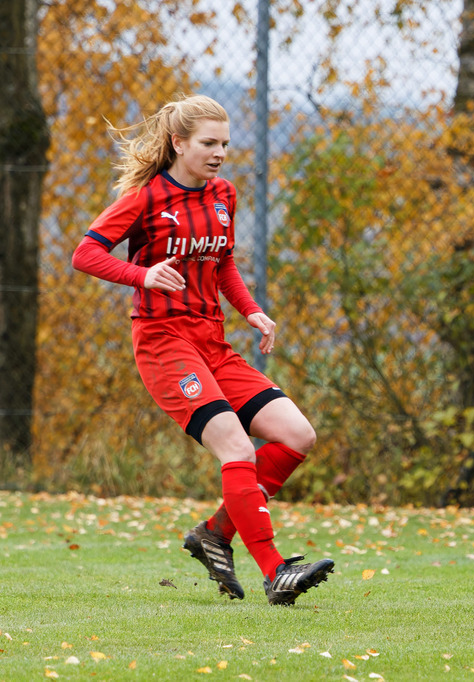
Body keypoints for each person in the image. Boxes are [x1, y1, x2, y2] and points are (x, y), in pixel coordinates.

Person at [72, 94, 334, 606]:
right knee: (236, 449)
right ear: (179, 143)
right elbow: (85, 254)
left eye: (225, 144)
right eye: (208, 143)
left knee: (297, 436)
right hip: (164, 343)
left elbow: (224, 264)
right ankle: (275, 570)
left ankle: (215, 534)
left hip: (213, 341)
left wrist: (252, 311)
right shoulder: (147, 199)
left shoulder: (223, 195)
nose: (219, 153)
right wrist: (142, 273)